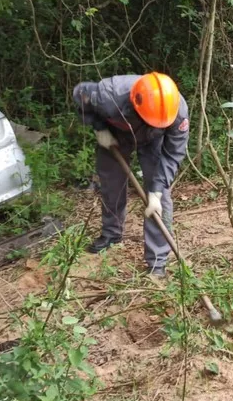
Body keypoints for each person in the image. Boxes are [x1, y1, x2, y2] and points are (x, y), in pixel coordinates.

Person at [72, 72, 190, 277]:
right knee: (112, 183)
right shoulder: (109, 94)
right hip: (116, 133)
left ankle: (157, 262)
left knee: (160, 199)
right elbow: (79, 94)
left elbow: (172, 155)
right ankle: (111, 234)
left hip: (154, 140)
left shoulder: (177, 112)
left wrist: (156, 191)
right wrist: (99, 128)